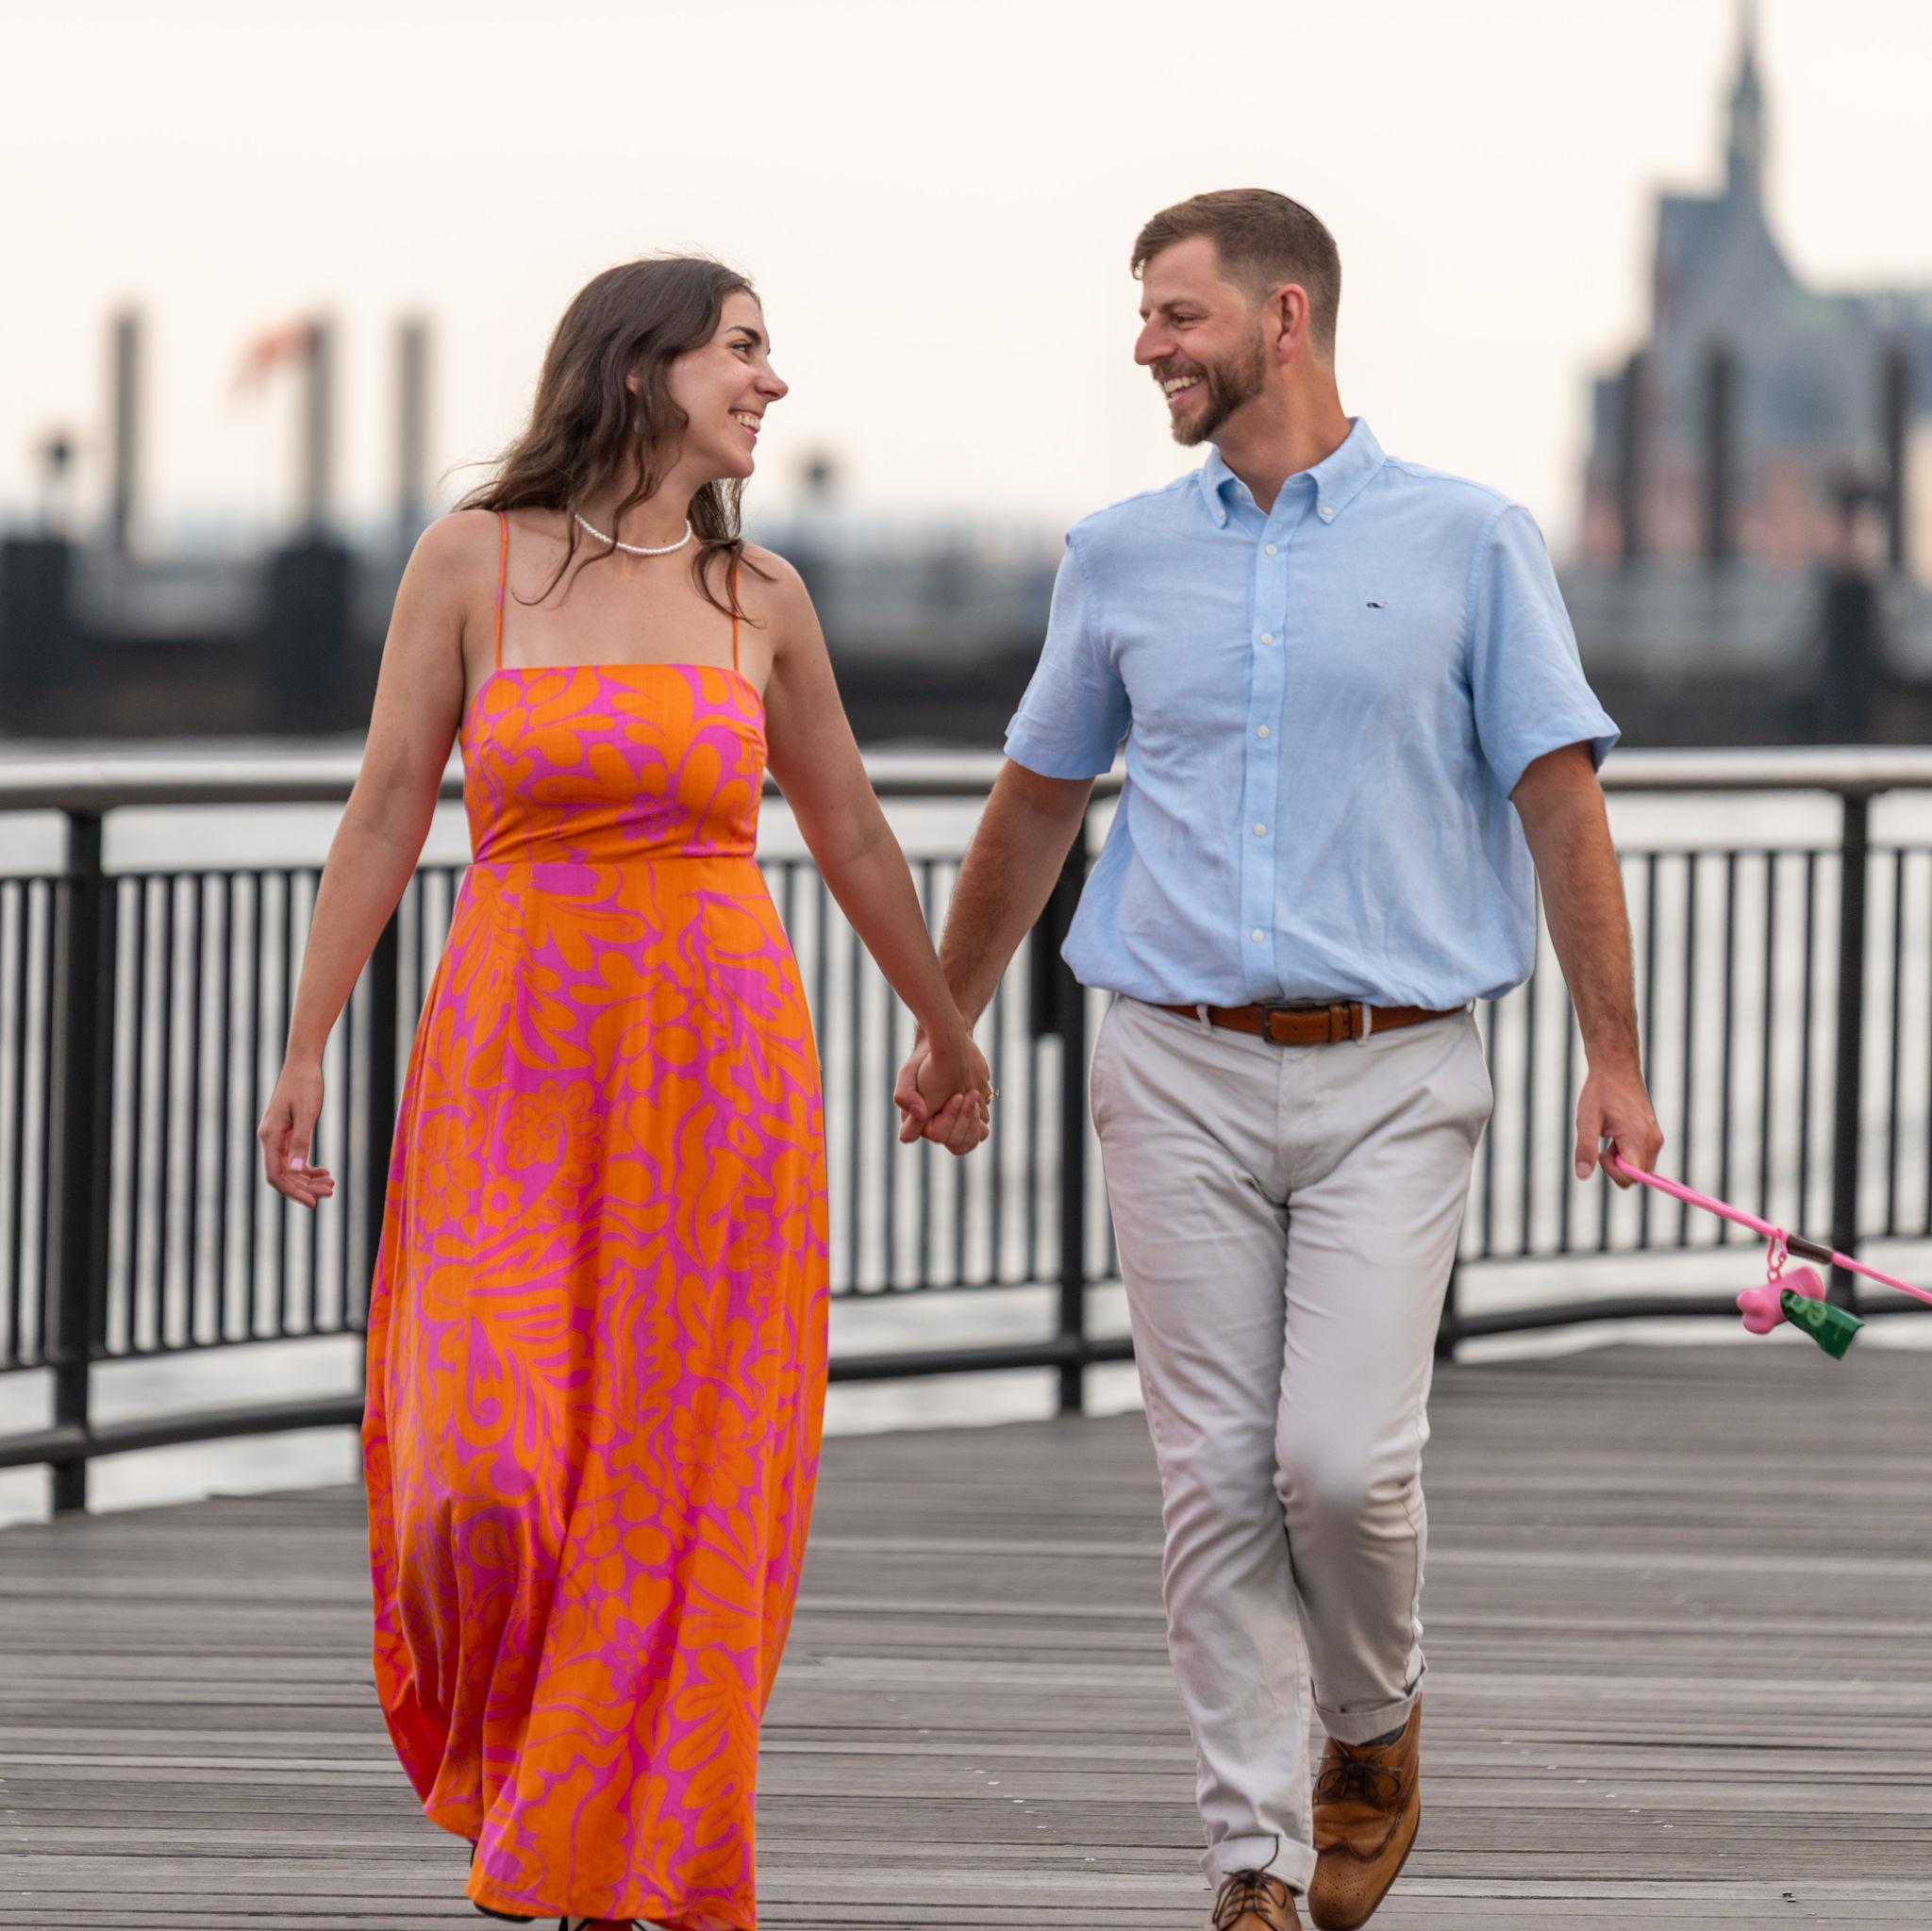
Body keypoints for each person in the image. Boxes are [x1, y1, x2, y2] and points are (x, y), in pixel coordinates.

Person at [896, 191, 1663, 1931]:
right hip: (1168, 1059)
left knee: (1340, 1463)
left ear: (1285, 317)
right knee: (1210, 1472)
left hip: (1400, 1067)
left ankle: (1374, 1725)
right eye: (1146, 316)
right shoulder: (1116, 555)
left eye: (1176, 315)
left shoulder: (1476, 541)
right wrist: (949, 1023)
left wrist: (1613, 1061)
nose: (1147, 345)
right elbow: (1034, 803)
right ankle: (1246, 1858)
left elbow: (1561, 807)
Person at [258, 256, 990, 1931]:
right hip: (511, 1067)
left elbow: (857, 834)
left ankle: (607, 1859)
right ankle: (546, 1792)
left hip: (715, 1079)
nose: (770, 383)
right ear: (645, 366)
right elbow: (382, 815)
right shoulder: (474, 564)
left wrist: (945, 1027)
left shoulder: (765, 603)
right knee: (486, 1477)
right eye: (744, 351)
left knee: (678, 1479)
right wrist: (304, 1044)